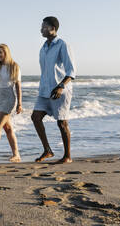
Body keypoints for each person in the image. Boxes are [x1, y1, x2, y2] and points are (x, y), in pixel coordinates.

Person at [32, 16, 76, 164]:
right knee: (35, 117)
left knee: (62, 123)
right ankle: (48, 150)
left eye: (44, 26)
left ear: (53, 28)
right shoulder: (43, 47)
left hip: (60, 90)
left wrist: (61, 86)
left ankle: (67, 156)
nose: (41, 29)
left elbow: (71, 70)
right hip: (44, 90)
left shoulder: (62, 45)